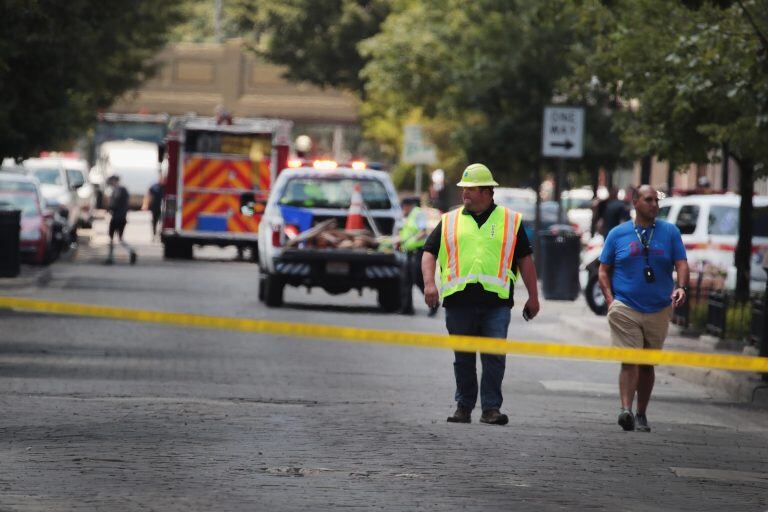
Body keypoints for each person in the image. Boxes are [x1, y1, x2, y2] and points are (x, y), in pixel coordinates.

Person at [422, 163, 540, 426]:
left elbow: (525, 260)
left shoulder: (510, 221)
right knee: (463, 358)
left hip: (495, 302)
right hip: (458, 300)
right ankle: (463, 407)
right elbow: (429, 252)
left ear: (487, 191)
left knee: (494, 357)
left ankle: (491, 409)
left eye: (471, 189)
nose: (465, 193)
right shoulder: (449, 220)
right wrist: (430, 283)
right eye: (463, 188)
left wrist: (533, 297)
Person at [598, 185, 689, 432]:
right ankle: (625, 410)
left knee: (647, 364)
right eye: (648, 200)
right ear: (635, 202)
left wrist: (681, 287)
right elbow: (603, 270)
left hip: (659, 307)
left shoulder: (670, 232)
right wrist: (610, 300)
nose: (654, 205)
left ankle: (641, 413)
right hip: (626, 306)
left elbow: (681, 263)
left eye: (656, 201)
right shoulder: (618, 234)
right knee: (631, 360)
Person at [398, 196, 438, 316]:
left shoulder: (417, 213)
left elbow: (422, 232)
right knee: (406, 280)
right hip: (409, 252)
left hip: (418, 251)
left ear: (407, 206)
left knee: (418, 279)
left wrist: (409, 241)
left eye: (403, 208)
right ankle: (407, 308)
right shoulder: (410, 216)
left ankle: (434, 303)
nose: (402, 211)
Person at [105, 175, 137, 265]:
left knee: (111, 238)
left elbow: (113, 204)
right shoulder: (124, 190)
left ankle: (110, 258)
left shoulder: (116, 190)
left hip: (116, 217)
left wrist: (109, 208)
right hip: (123, 217)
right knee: (120, 238)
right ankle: (131, 251)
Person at [142, 176, 163, 241]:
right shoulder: (154, 186)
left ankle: (161, 235)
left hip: (164, 208)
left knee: (162, 223)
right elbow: (148, 195)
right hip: (155, 207)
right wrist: (145, 205)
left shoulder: (166, 185)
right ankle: (154, 235)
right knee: (154, 222)